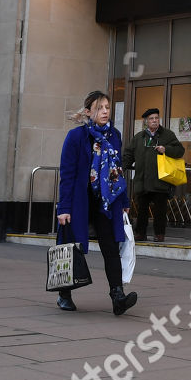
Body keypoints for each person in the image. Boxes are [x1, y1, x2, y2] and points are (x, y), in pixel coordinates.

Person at [56, 90, 137, 315]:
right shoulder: (76, 137)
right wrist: (63, 208)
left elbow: (117, 171)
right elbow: (68, 174)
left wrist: (124, 200)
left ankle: (117, 295)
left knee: (111, 248)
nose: (105, 112)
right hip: (79, 202)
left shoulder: (114, 136)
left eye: (107, 108)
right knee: (72, 248)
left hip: (106, 202)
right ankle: (64, 294)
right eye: (100, 108)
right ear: (89, 111)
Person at [122, 107, 184, 242]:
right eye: (151, 119)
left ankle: (159, 234)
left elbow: (180, 150)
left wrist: (166, 149)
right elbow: (128, 154)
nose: (154, 121)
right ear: (146, 121)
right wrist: (122, 168)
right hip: (142, 180)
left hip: (160, 180)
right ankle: (140, 233)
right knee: (142, 209)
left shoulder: (167, 135)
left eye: (156, 118)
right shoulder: (139, 137)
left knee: (160, 210)